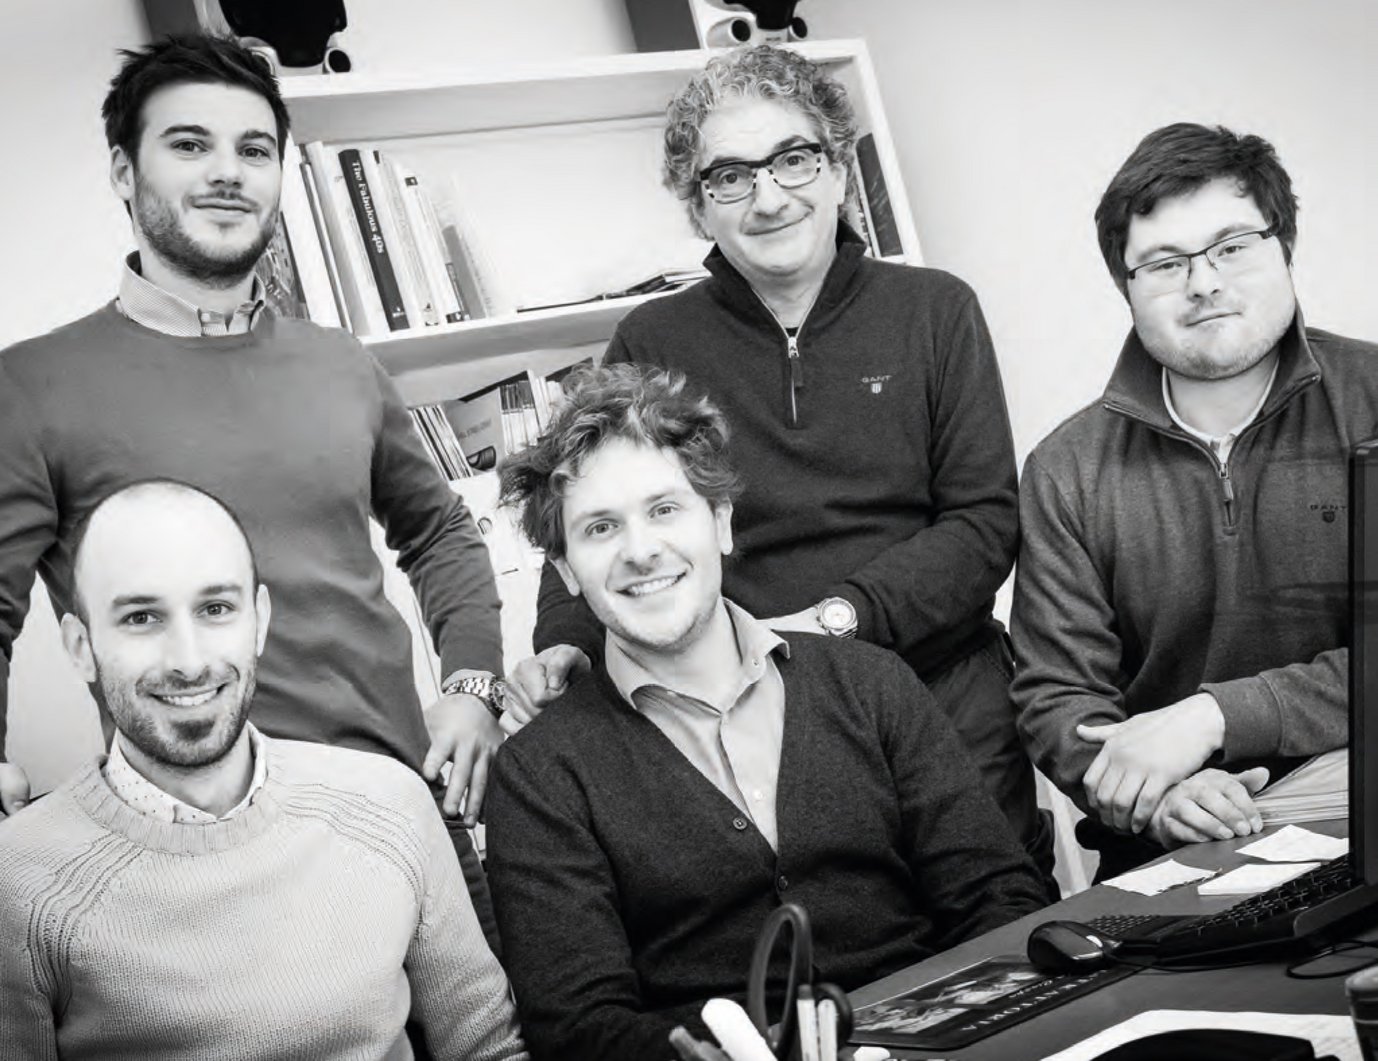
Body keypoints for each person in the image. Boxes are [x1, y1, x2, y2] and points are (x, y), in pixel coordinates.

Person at [0, 35, 505, 940]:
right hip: (205, 856)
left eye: (254, 149)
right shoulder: (30, 387)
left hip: (410, 813)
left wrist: (472, 683)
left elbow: (441, 535)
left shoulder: (340, 362)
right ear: (125, 170)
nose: (228, 173)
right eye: (189, 145)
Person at [511, 43, 1052, 883]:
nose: (768, 197)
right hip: (754, 717)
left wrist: (835, 621)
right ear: (698, 210)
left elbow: (983, 525)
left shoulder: (936, 311)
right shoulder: (652, 343)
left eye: (794, 160)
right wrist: (566, 644)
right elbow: (591, 508)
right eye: (729, 176)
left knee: (1000, 936)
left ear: (838, 170)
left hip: (943, 692)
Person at [485, 365, 1047, 1061]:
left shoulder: (871, 685)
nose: (640, 550)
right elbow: (576, 1029)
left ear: (719, 521)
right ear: (567, 570)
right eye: (600, 527)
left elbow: (999, 894)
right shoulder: (538, 777)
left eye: (665, 509)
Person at [0, 480, 527, 1060]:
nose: (190, 661)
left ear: (260, 620)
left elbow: (488, 1046)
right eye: (142, 616)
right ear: (80, 646)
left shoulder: (391, 804)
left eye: (216, 608)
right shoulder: (17, 884)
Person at [1011, 123, 1376, 877]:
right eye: (1165, 263)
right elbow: (1058, 696)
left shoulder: (1374, 402)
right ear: (1127, 287)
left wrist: (1214, 716)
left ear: (1285, 247)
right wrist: (1163, 791)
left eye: (1233, 246)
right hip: (1182, 861)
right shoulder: (1066, 468)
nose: (1204, 281)